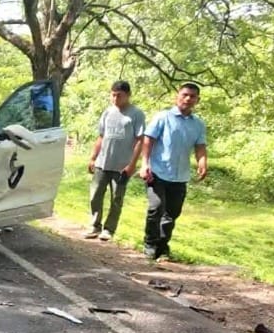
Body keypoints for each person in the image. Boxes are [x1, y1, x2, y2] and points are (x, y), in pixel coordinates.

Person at [134, 82, 208, 260]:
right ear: (178, 96)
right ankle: (150, 244)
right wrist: (144, 164)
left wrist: (203, 163)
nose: (188, 99)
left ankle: (162, 246)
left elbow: (200, 147)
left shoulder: (198, 124)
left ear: (197, 100)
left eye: (192, 96)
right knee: (156, 207)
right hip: (157, 172)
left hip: (180, 175)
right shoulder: (163, 117)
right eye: (185, 95)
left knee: (172, 213)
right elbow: (148, 140)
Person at [85, 80, 145, 241]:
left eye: (119, 95)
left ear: (128, 95)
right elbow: (101, 136)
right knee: (95, 195)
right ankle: (94, 225)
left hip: (122, 166)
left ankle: (109, 229)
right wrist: (93, 157)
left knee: (116, 199)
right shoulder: (107, 112)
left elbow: (140, 140)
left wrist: (132, 164)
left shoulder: (136, 114)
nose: (116, 98)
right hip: (103, 162)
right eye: (113, 95)